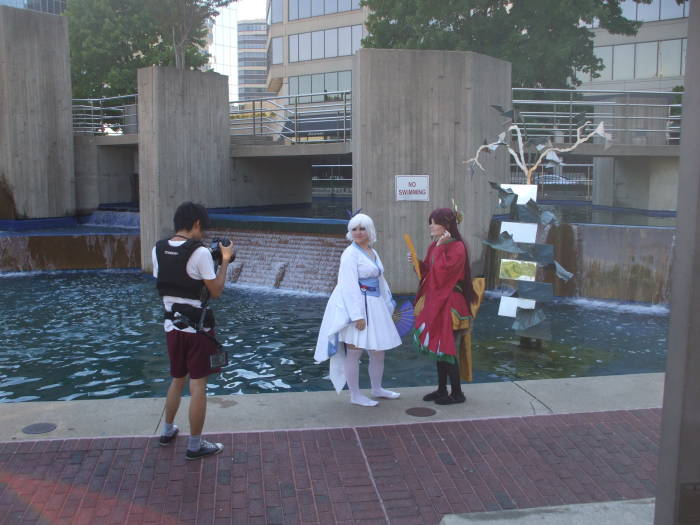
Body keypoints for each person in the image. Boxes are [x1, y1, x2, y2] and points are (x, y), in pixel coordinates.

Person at [152, 201, 234, 460]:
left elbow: (165, 283)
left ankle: (167, 430)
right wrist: (225, 261)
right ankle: (195, 445)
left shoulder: (158, 249)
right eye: (203, 227)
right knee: (198, 385)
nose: (203, 233)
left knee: (177, 379)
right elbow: (216, 291)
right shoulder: (199, 253)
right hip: (198, 330)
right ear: (197, 223)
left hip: (171, 326)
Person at [314, 213, 402, 406]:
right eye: (354, 229)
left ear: (369, 230)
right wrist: (356, 316)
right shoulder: (349, 254)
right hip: (359, 307)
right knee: (355, 351)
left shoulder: (372, 251)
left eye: (362, 228)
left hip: (376, 305)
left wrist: (389, 303)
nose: (358, 232)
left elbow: (380, 279)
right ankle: (355, 395)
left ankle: (377, 389)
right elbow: (348, 286)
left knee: (378, 351)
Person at [408, 207, 477, 405]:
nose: (431, 226)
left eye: (434, 223)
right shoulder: (436, 245)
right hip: (439, 301)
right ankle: (441, 389)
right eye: (430, 222)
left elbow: (443, 274)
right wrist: (417, 264)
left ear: (446, 226)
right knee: (440, 347)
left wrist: (439, 247)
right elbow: (430, 274)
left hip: (451, 303)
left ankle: (457, 393)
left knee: (447, 348)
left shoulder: (457, 247)